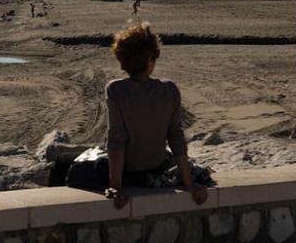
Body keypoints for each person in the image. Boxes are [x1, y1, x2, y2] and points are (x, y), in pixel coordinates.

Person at [66, 23, 208, 209]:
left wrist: (115, 186)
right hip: (156, 166)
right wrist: (188, 182)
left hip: (129, 171)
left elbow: (117, 139)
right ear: (151, 59)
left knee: (69, 166)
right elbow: (176, 137)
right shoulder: (169, 90)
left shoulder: (116, 89)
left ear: (123, 60)